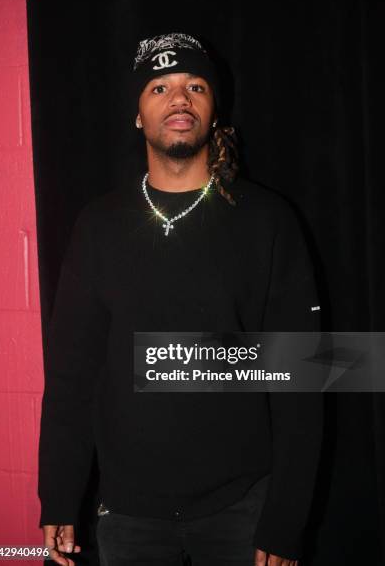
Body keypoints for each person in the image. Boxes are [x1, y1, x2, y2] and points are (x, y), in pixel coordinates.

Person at [38, 32, 324, 566]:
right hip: (126, 515)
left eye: (195, 85)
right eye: (159, 87)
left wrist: (287, 518)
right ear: (138, 116)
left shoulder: (268, 221)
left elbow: (304, 382)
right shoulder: (97, 226)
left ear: (214, 111)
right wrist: (57, 493)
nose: (179, 99)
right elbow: (72, 375)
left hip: (244, 508)